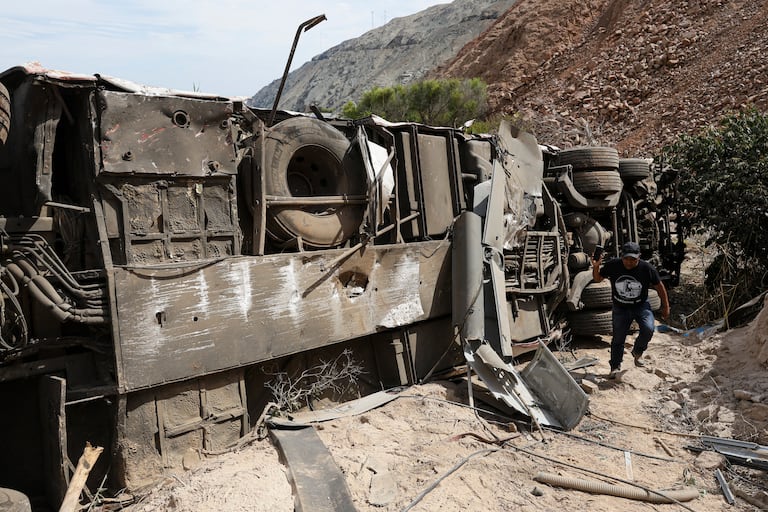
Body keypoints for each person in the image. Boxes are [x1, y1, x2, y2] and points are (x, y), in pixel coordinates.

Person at [592, 241, 670, 378]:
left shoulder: (647, 268)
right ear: (621, 257)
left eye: (633, 259)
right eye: (626, 259)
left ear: (639, 257)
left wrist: (666, 307)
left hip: (641, 305)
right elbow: (598, 279)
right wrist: (596, 267)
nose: (629, 262)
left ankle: (637, 351)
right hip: (620, 308)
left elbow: (659, 287)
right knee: (618, 339)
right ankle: (615, 367)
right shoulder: (613, 265)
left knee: (648, 329)